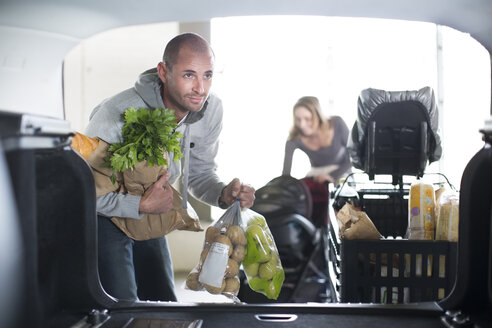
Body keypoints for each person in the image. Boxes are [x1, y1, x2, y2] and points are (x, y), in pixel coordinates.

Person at [85, 33, 255, 302]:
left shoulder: (210, 111)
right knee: (123, 306)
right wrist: (139, 205)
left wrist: (223, 194)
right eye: (189, 75)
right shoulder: (114, 115)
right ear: (163, 72)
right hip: (106, 218)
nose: (201, 88)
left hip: (153, 213)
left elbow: (198, 175)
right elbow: (86, 195)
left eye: (208, 75)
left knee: (163, 302)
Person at [282, 96, 351, 226]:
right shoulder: (294, 139)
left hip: (342, 173)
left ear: (317, 116)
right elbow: (286, 175)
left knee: (340, 202)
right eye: (298, 119)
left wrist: (331, 176)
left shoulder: (337, 123)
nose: (302, 124)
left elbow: (353, 158)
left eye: (307, 119)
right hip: (318, 176)